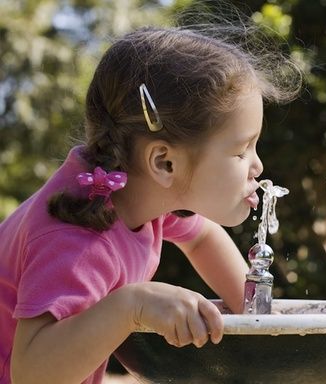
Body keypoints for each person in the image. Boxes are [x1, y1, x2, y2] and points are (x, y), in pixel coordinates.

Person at [0, 20, 300, 384]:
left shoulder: (136, 192)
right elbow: (32, 375)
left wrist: (257, 320)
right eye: (241, 150)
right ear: (164, 162)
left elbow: (202, 237)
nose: (258, 166)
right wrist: (132, 305)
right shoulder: (76, 238)